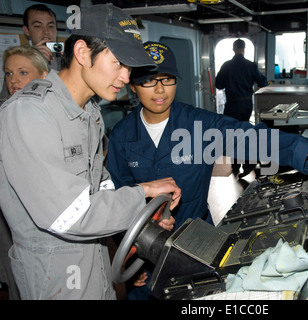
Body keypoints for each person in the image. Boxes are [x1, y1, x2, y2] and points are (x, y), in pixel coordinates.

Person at [106, 41, 308, 298]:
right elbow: (118, 201)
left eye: (167, 79)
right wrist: (129, 257)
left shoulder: (197, 124)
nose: (160, 89)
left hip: (195, 242)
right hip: (143, 252)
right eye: (149, 81)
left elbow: (248, 137)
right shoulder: (121, 136)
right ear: (132, 85)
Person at [0, 4, 181, 300]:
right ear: (83, 53)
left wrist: (144, 222)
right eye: (118, 63)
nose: (126, 77)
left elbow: (101, 186)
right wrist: (141, 194)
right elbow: (68, 215)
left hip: (94, 263)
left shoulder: (90, 114)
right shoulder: (29, 113)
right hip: (54, 276)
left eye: (129, 67)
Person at [0, 44, 49, 300]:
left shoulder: (54, 118)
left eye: (22, 72)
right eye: (8, 74)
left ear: (43, 76)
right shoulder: (6, 117)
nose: (14, 80)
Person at [215, 38, 268, 177]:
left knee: (232, 135)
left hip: (232, 104)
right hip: (245, 104)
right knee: (246, 133)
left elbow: (218, 85)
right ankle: (248, 164)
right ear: (244, 49)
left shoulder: (226, 65)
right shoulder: (251, 65)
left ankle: (235, 165)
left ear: (233, 49)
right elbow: (262, 83)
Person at [22, 4, 61, 70]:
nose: (46, 31)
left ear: (56, 30)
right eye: (37, 26)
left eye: (51, 26)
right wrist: (33, 60)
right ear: (27, 31)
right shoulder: (18, 61)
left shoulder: (67, 61)